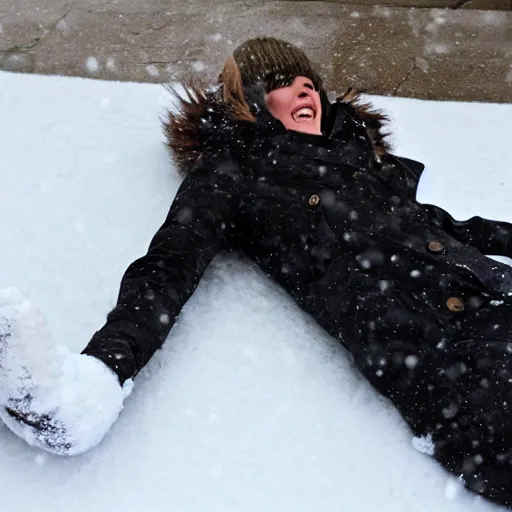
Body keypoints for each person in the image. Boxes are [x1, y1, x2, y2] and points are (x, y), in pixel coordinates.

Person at [1, 37, 512, 507]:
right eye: (284, 84)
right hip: (441, 353)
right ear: (250, 100)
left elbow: (447, 227)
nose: (305, 90)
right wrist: (102, 374)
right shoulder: (238, 172)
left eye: (309, 82)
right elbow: (168, 266)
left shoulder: (364, 167)